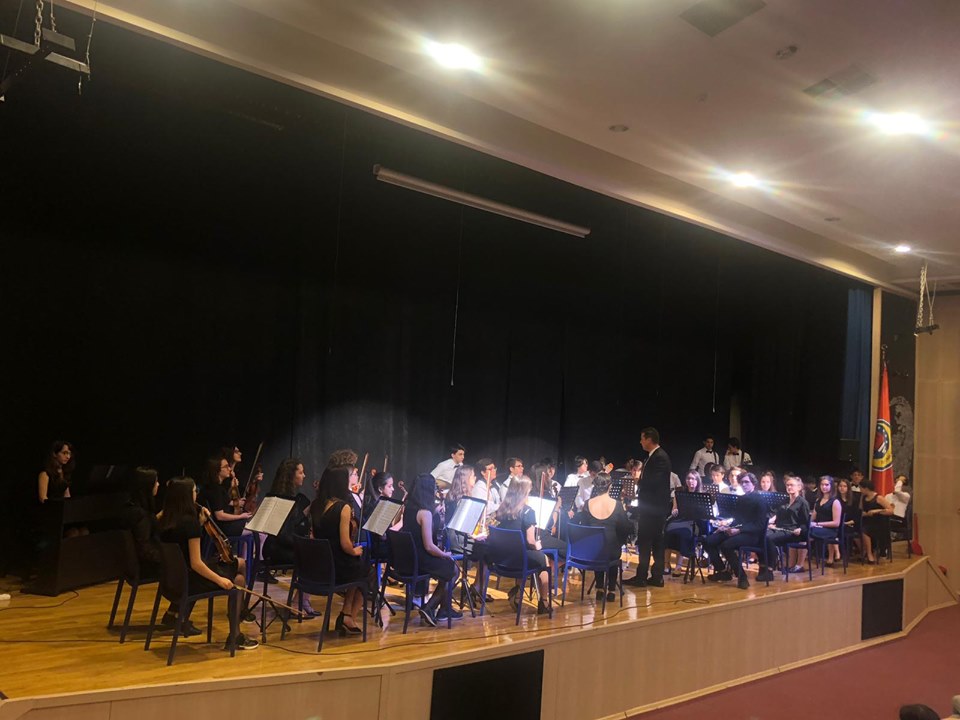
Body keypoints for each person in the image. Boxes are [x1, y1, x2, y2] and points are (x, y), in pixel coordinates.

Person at [157, 477, 258, 650]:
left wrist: (200, 522)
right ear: (187, 496)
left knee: (239, 565)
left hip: (171, 581)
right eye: (194, 491)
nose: (196, 494)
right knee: (239, 579)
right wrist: (220, 580)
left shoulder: (163, 519)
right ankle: (235, 634)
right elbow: (196, 564)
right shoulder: (190, 524)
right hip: (189, 581)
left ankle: (239, 617)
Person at [310, 466, 369, 635]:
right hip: (336, 567)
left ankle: (347, 615)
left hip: (319, 565)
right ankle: (348, 615)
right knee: (367, 573)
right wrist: (355, 551)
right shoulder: (343, 507)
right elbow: (345, 544)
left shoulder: (316, 505)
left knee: (359, 569)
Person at [402, 473, 459, 625]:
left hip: (407, 557)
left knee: (448, 568)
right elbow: (429, 546)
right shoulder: (425, 513)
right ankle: (429, 608)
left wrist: (434, 512)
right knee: (454, 570)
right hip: (419, 560)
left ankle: (441, 608)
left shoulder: (409, 508)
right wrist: (444, 554)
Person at [494, 477, 551, 614]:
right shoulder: (528, 512)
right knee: (544, 560)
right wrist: (537, 546)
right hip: (519, 559)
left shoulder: (502, 509)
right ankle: (544, 602)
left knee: (523, 553)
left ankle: (518, 593)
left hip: (501, 558)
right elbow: (530, 541)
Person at [573, 473, 633, 600]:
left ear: (595, 486)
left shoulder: (587, 503)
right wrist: (620, 542)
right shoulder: (617, 505)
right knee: (612, 551)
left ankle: (599, 588)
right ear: (610, 486)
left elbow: (584, 527)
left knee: (598, 547)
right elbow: (626, 527)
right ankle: (611, 591)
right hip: (611, 550)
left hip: (592, 551)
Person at [704, 473, 768, 589]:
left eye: (746, 482)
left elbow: (759, 525)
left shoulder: (760, 500)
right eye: (742, 482)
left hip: (752, 535)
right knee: (708, 541)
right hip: (738, 531)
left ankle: (742, 577)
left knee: (726, 545)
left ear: (753, 483)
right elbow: (737, 520)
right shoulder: (741, 499)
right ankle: (722, 571)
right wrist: (726, 527)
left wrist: (738, 530)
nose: (744, 484)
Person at [627, 428, 672, 588]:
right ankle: (656, 576)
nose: (640, 441)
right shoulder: (653, 457)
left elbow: (654, 483)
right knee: (655, 543)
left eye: (642, 438)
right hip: (652, 508)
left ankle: (642, 577)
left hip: (653, 509)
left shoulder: (660, 457)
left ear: (649, 439)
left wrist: (638, 481)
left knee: (647, 542)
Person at [764, 473, 810, 574]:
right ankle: (766, 565)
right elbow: (778, 516)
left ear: (799, 487)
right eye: (787, 485)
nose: (789, 487)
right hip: (781, 529)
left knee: (769, 539)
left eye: (791, 485)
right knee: (763, 535)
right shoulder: (784, 501)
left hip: (793, 532)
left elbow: (805, 522)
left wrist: (800, 529)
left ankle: (770, 566)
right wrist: (773, 524)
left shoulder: (803, 503)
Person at [198, 455, 251, 537]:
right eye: (226, 467)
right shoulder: (215, 489)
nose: (229, 469)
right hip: (223, 528)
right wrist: (240, 516)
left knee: (251, 525)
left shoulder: (214, 487)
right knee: (257, 531)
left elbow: (223, 502)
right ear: (217, 470)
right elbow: (220, 516)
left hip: (224, 525)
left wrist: (233, 491)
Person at [665, 470, 702, 577]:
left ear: (697, 481)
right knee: (667, 531)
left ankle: (679, 566)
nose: (690, 481)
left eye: (693, 479)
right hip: (679, 520)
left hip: (693, 522)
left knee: (682, 534)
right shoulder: (680, 493)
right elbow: (674, 508)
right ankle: (666, 565)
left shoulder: (701, 495)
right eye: (688, 478)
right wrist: (674, 511)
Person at [810, 475, 843, 566]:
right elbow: (813, 516)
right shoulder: (818, 500)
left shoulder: (835, 502)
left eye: (826, 485)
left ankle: (830, 557)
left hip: (830, 530)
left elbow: (836, 523)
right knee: (804, 529)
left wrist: (817, 524)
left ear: (831, 486)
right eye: (822, 484)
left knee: (808, 531)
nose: (824, 487)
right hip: (818, 527)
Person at [860, 479, 894, 563]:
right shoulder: (863, 498)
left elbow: (890, 510)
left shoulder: (879, 498)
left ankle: (869, 554)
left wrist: (877, 511)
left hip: (879, 522)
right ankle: (867, 552)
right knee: (861, 528)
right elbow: (861, 510)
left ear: (866, 488)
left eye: (861, 488)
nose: (860, 490)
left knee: (865, 530)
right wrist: (864, 513)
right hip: (868, 520)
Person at [444, 465, 476, 553]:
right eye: (473, 476)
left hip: (452, 539)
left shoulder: (452, 496)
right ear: (466, 479)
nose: (475, 478)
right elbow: (465, 528)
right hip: (460, 543)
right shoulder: (464, 501)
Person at [471, 458, 503, 524]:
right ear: (483, 472)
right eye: (490, 469)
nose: (494, 470)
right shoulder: (479, 487)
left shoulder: (495, 484)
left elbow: (498, 501)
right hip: (484, 522)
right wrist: (500, 506)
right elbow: (485, 507)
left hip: (495, 519)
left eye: (494, 468)